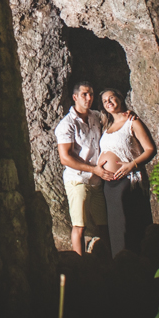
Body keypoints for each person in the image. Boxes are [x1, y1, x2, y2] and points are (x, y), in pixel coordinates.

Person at [55, 81, 118, 255]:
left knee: (103, 224)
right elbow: (65, 158)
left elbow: (115, 116)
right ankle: (80, 264)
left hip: (97, 181)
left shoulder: (96, 116)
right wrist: (94, 169)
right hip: (78, 180)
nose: (89, 98)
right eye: (84, 94)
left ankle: (108, 261)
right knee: (79, 225)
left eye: (91, 94)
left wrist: (130, 116)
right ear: (75, 97)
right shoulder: (66, 125)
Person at [97, 88, 156, 257]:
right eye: (105, 101)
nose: (108, 102)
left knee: (132, 225)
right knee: (117, 229)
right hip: (110, 185)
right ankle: (121, 267)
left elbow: (150, 149)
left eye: (111, 98)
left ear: (120, 99)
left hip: (129, 181)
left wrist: (132, 165)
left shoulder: (132, 122)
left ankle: (138, 266)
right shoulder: (106, 126)